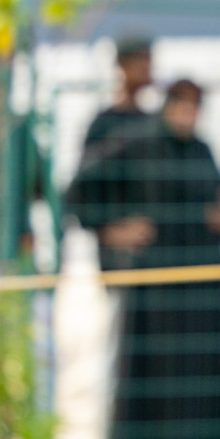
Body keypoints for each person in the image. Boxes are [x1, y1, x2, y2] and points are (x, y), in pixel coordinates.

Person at [107, 79, 220, 439]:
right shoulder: (137, 144)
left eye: (195, 106)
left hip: (203, 282)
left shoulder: (203, 150)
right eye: (182, 105)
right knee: (154, 372)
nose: (188, 114)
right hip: (156, 284)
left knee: (203, 373)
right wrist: (111, 229)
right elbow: (84, 188)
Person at [65, 36, 159, 271]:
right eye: (141, 60)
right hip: (118, 255)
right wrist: (110, 231)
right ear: (123, 66)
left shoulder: (154, 123)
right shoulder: (104, 125)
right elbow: (80, 187)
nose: (148, 68)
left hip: (154, 250)